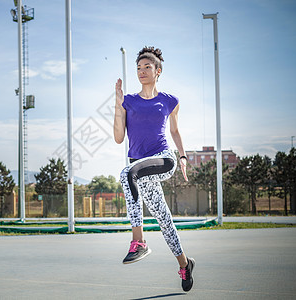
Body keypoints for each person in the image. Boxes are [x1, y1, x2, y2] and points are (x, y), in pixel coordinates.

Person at [113, 46, 195, 292]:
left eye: (147, 67)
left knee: (128, 174)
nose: (141, 71)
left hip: (162, 159)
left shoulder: (169, 101)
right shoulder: (128, 101)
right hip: (138, 166)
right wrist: (118, 105)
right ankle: (185, 263)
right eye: (138, 68)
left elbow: (175, 131)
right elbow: (119, 138)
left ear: (158, 71)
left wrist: (182, 156)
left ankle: (138, 241)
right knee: (164, 220)